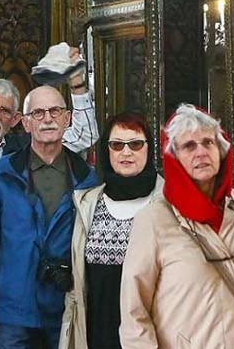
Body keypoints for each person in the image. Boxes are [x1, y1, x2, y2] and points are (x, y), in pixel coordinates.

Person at [0, 70, 98, 348]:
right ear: (25, 123)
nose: (47, 119)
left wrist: (77, 83)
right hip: (13, 310)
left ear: (67, 119)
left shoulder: (86, 177)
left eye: (55, 111)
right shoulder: (3, 173)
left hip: (68, 307)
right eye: (38, 113)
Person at [119, 104, 234, 348]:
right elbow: (133, 312)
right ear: (173, 157)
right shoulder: (154, 219)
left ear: (221, 150)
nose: (201, 152)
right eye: (189, 146)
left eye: (208, 143)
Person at [59, 112, 162, 349]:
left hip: (151, 334)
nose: (126, 153)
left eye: (135, 144)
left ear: (149, 149)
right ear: (107, 151)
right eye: (117, 145)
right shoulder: (87, 203)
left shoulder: (168, 202)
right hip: (97, 332)